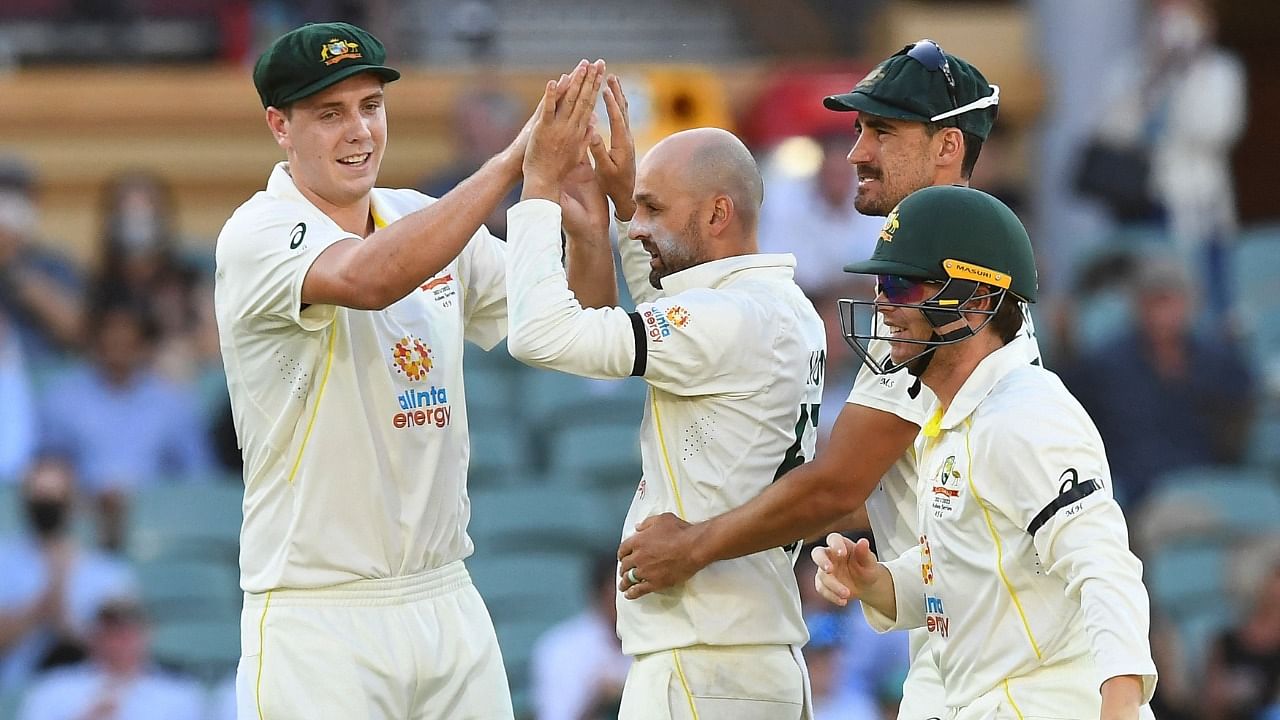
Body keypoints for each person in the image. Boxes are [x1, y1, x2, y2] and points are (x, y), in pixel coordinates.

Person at [615, 39, 1032, 718]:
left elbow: (839, 484)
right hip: (968, 643)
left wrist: (694, 545)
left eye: (883, 131)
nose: (856, 152)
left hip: (1005, 664)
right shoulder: (943, 279)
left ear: (948, 148)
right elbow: (848, 492)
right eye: (860, 129)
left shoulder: (942, 300)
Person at [213, 21, 611, 719]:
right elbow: (369, 278)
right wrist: (513, 163)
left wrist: (584, 230)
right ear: (280, 126)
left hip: (446, 595)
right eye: (329, 114)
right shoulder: (257, 231)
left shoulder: (420, 215)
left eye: (370, 106)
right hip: (319, 612)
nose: (358, 131)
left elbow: (577, 330)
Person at [506, 75, 826, 718]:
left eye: (654, 208)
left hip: (707, 665)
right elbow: (667, 313)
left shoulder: (729, 318)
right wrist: (621, 210)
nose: (639, 223)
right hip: (740, 656)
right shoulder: (777, 307)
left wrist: (538, 188)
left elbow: (542, 336)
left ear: (715, 213)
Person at [812, 185, 1157, 717]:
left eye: (901, 284)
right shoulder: (949, 420)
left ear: (975, 301)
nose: (882, 304)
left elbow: (1104, 567)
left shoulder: (1025, 415)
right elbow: (965, 579)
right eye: (881, 283)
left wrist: (1121, 706)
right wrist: (878, 584)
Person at [0, 456, 137, 692]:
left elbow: (125, 646)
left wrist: (70, 629)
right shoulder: (4, 559)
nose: (47, 506)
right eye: (39, 496)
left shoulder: (107, 571)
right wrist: (47, 600)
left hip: (92, 695)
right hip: (17, 692)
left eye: (56, 496)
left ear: (73, 499)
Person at [17, 596, 205, 720]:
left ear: (147, 635)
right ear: (92, 636)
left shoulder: (179, 695)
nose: (119, 642)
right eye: (111, 632)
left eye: (128, 632)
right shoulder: (53, 689)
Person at [530, 554, 631, 720]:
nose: (628, 600)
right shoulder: (562, 649)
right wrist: (599, 700)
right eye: (619, 592)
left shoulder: (659, 641)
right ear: (597, 595)